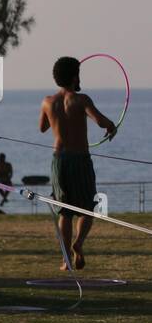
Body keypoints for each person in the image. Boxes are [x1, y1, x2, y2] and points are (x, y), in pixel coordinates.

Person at [41, 56, 117, 270]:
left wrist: (55, 117)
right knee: (87, 209)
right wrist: (112, 126)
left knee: (64, 210)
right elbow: (101, 121)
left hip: (59, 160)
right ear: (75, 76)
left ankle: (65, 258)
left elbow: (43, 127)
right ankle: (78, 244)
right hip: (80, 159)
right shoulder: (81, 100)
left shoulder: (47, 101)